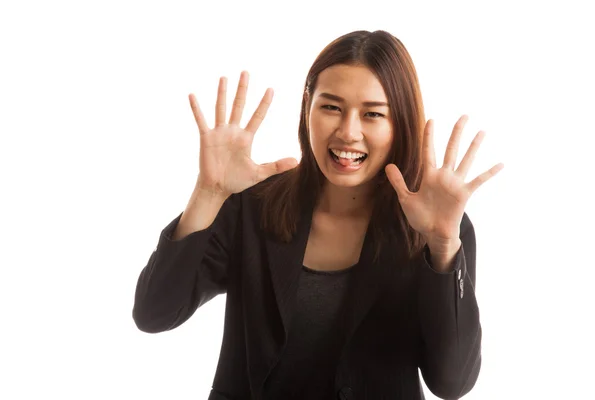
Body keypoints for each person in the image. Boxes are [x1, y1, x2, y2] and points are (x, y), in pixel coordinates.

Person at [132, 29, 504, 400]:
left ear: (400, 125)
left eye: (372, 114)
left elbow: (452, 383)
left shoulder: (437, 225)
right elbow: (154, 313)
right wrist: (208, 195)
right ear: (307, 109)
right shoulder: (253, 204)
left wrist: (441, 246)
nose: (348, 132)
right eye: (331, 107)